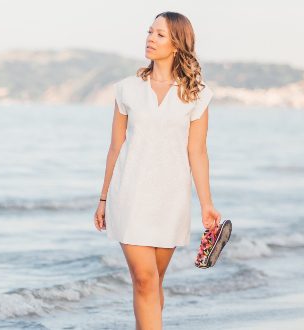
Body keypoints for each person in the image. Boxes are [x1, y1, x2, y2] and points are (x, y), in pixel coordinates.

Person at [93, 11, 221, 329]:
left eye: (160, 34)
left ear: (177, 43)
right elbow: (116, 146)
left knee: (154, 285)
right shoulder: (126, 89)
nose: (150, 38)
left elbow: (198, 151)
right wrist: (104, 198)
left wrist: (206, 204)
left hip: (170, 199)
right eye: (150, 32)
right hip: (129, 195)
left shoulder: (197, 94)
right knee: (145, 281)